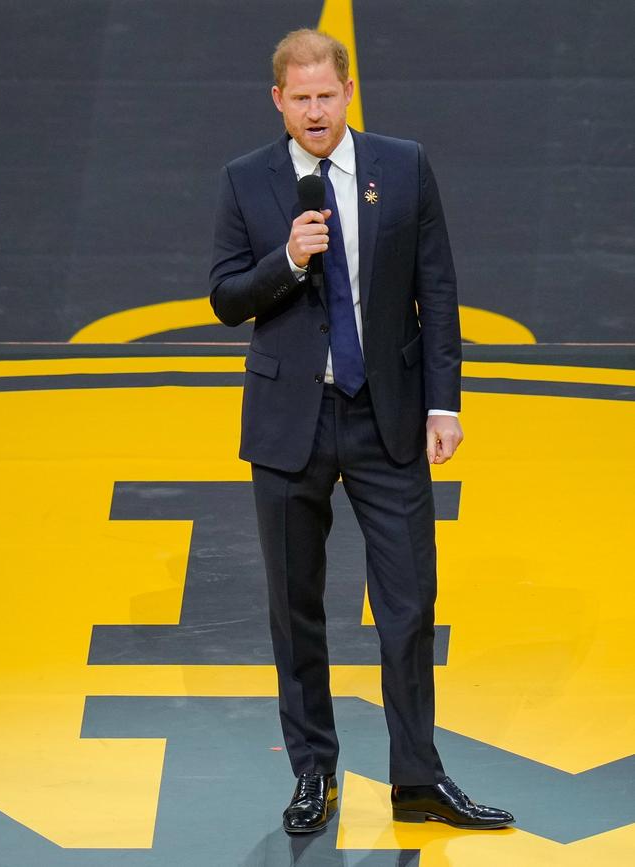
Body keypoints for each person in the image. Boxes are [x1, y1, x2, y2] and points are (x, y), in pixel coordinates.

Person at [209, 28, 514, 834]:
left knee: (410, 603)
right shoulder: (248, 181)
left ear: (348, 93)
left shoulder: (403, 165)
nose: (314, 111)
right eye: (299, 98)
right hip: (289, 427)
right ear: (278, 101)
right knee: (294, 606)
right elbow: (226, 296)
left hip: (387, 419)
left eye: (326, 95)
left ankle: (417, 775)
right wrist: (287, 259)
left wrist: (444, 403)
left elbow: (437, 288)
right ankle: (314, 773)